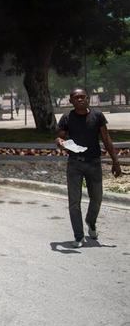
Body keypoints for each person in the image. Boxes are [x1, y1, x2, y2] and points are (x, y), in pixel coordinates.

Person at [55, 88, 121, 248]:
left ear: (88, 99)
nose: (80, 100)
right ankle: (78, 236)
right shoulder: (66, 117)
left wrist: (115, 161)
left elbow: (106, 138)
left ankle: (91, 222)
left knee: (97, 198)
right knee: (74, 202)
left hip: (94, 163)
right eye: (76, 97)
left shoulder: (97, 116)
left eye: (82, 97)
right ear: (71, 101)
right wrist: (60, 142)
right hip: (75, 163)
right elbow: (60, 137)